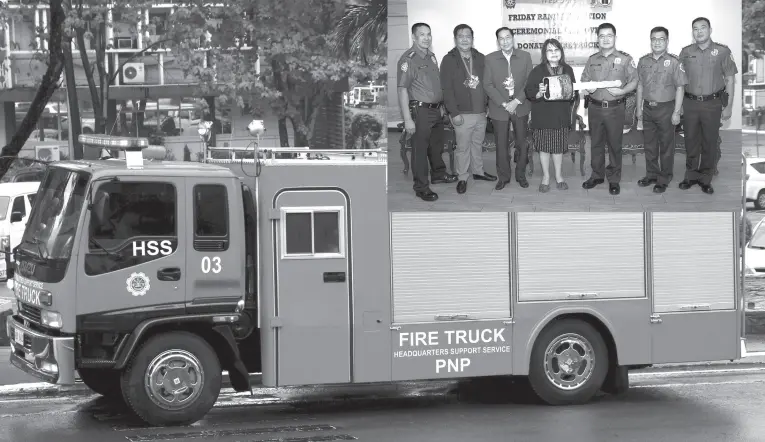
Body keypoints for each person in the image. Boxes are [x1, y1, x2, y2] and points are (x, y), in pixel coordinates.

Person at [396, 22, 458, 202]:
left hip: (436, 109)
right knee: (420, 151)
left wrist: (442, 108)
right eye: (422, 34)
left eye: (428, 34)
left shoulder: (431, 57)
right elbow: (402, 90)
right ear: (414, 37)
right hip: (420, 111)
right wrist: (408, 119)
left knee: (436, 146)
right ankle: (421, 187)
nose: (426, 38)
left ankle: (438, 174)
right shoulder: (408, 59)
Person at [677, 17, 737, 195]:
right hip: (690, 103)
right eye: (695, 29)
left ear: (710, 30)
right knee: (691, 141)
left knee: (709, 143)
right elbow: (680, 81)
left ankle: (705, 178)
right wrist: (679, 105)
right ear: (692, 32)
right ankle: (690, 176)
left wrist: (729, 106)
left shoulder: (722, 51)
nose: (699, 31)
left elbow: (730, 79)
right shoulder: (685, 52)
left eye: (703, 28)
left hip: (713, 103)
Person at [580, 23, 638, 196]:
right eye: (602, 36)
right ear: (597, 39)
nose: (605, 39)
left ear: (615, 37)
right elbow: (584, 79)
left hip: (615, 109)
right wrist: (587, 88)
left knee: (614, 145)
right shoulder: (592, 59)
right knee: (596, 144)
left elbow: (634, 80)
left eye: (609, 35)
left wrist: (624, 91)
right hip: (595, 108)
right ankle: (597, 175)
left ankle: (613, 179)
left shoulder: (625, 59)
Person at [441, 24, 497, 194]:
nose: (465, 39)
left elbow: (487, 83)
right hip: (461, 114)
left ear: (473, 39)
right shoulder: (449, 59)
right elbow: (446, 89)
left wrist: (487, 105)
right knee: (463, 148)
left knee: (477, 144)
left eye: (468, 36)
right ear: (455, 39)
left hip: (480, 112)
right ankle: (463, 177)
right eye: (461, 36)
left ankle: (478, 172)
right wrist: (453, 113)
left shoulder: (480, 58)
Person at [636, 26, 687, 194]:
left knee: (666, 146)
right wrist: (639, 109)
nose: (657, 42)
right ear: (650, 41)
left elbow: (680, 88)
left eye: (661, 39)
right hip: (648, 108)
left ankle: (664, 178)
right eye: (654, 39)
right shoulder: (643, 61)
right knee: (650, 145)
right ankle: (651, 174)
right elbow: (640, 86)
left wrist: (676, 112)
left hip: (666, 109)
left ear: (667, 41)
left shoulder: (674, 62)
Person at [524, 38, 577, 192]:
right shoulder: (537, 70)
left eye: (556, 50)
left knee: (558, 148)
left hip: (561, 116)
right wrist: (539, 93)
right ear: (544, 53)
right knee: (544, 148)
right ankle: (546, 176)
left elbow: (573, 92)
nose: (553, 53)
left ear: (561, 52)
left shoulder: (568, 69)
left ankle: (559, 176)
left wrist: (573, 94)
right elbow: (528, 92)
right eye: (549, 50)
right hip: (542, 116)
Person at [483, 27, 533, 190]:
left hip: (520, 105)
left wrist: (517, 101)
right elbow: (488, 85)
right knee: (501, 144)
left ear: (513, 38)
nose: (505, 41)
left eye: (507, 37)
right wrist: (505, 104)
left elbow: (529, 82)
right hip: (500, 107)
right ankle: (503, 177)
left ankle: (520, 175)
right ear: (498, 41)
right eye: (501, 38)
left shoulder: (525, 56)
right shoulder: (490, 59)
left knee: (521, 143)